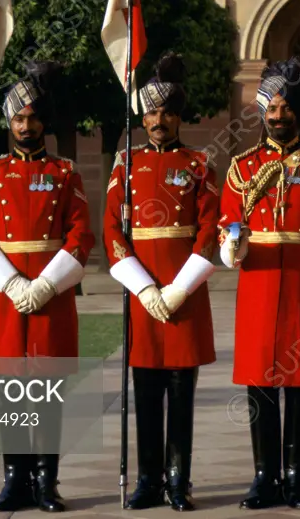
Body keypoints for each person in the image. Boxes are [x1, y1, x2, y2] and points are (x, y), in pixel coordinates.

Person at [0, 62, 96, 513]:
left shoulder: (64, 172)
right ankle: (15, 479)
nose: (26, 126)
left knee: (46, 391)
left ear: (44, 121)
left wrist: (46, 284)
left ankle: (46, 481)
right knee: (8, 392)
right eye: (18, 118)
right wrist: (12, 282)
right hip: (6, 297)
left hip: (50, 297)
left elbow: (81, 235)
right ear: (8, 122)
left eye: (33, 118)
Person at [218, 58, 300, 510]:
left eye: (286, 107)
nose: (277, 116)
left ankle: (295, 479)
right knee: (260, 384)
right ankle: (263, 477)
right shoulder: (241, 168)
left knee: (298, 383)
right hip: (257, 286)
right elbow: (226, 228)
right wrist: (231, 247)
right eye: (271, 108)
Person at [103, 53, 219, 511]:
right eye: (151, 112)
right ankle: (147, 479)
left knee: (181, 394)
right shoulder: (123, 164)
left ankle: (178, 481)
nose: (158, 120)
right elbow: (113, 230)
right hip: (143, 296)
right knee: (145, 394)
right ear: (142, 116)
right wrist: (145, 288)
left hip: (183, 295)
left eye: (167, 112)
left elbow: (210, 228)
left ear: (178, 116)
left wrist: (178, 288)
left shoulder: (199, 163)